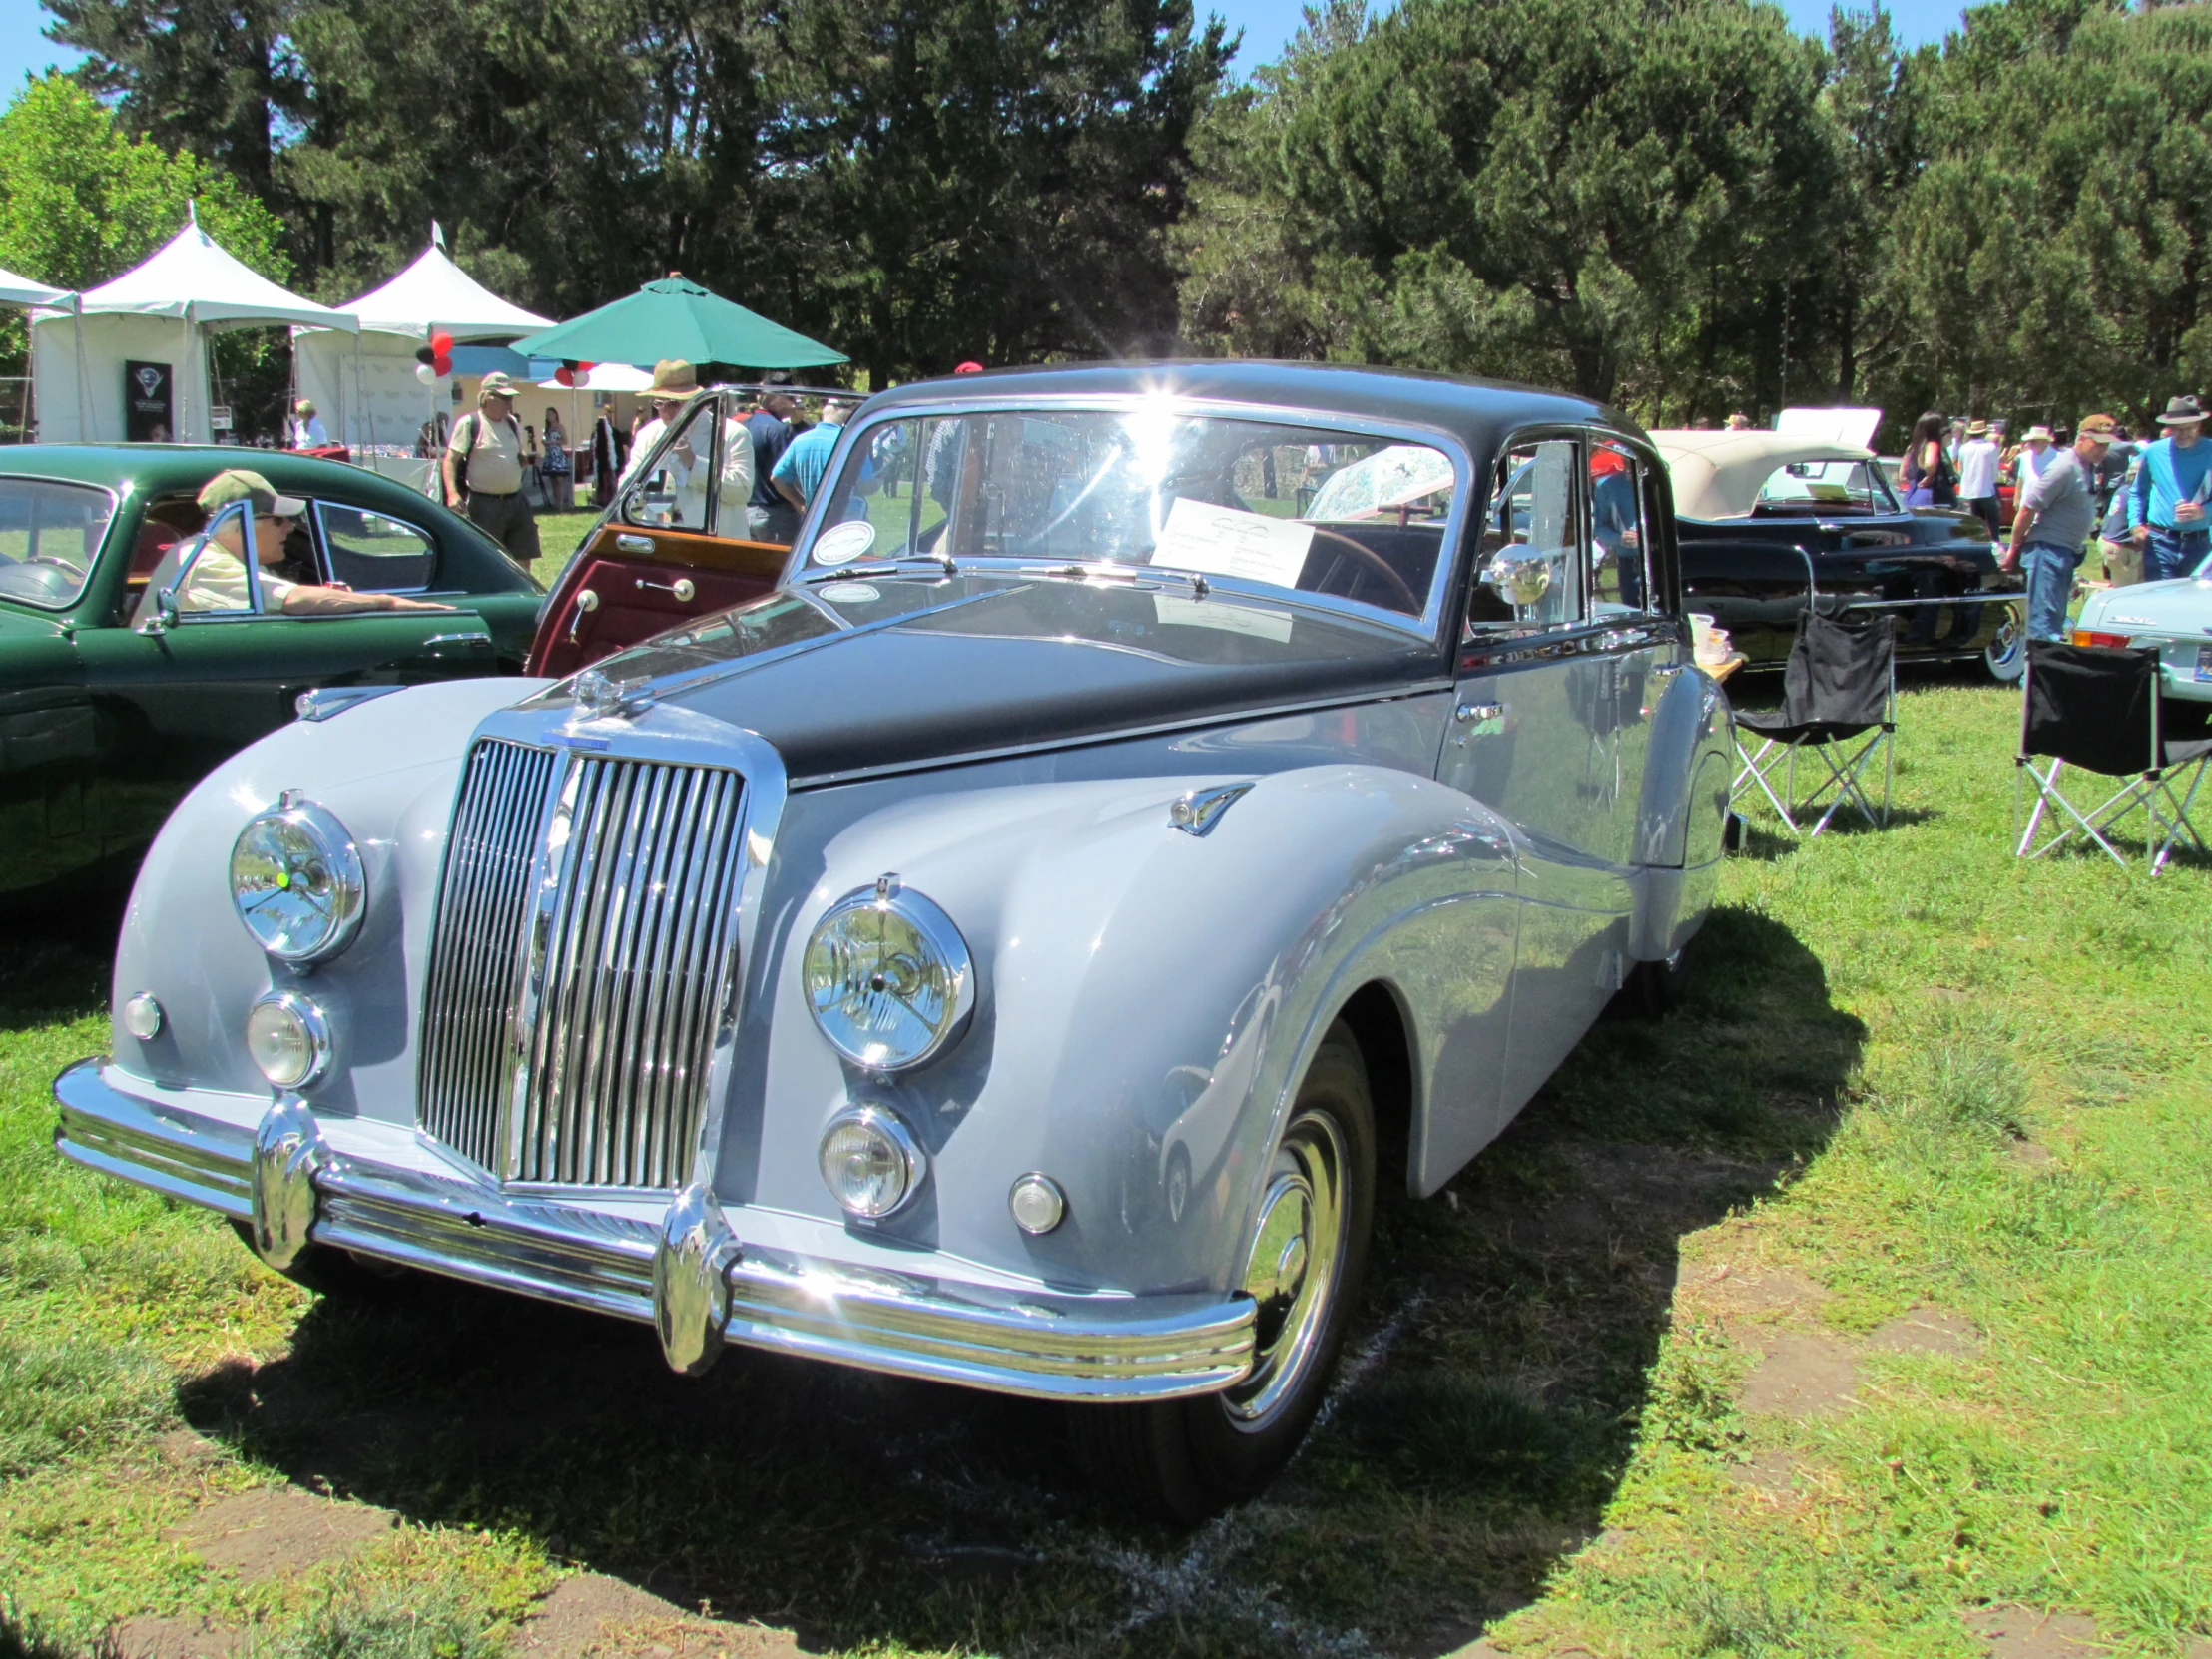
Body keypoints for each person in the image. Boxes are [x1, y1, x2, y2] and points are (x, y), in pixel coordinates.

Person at [179, 470, 451, 617]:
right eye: (277, 520)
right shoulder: (204, 562)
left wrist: (335, 597)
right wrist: (386, 603)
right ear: (240, 524)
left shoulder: (226, 559)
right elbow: (295, 600)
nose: (290, 526)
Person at [2005, 413, 2120, 642]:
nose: (2102, 450)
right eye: (2098, 444)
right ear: (2081, 439)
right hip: (2047, 551)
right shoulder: (2063, 468)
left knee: (2054, 621)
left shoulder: (2086, 467)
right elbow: (2028, 509)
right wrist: (2013, 550)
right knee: (2044, 627)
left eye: (2106, 445)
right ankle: (2036, 676)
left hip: (2064, 551)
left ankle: (2041, 672)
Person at [618, 359, 754, 530]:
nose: (666, 412)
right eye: (659, 403)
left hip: (714, 541)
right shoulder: (647, 435)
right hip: (660, 537)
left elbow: (742, 491)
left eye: (674, 403)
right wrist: (645, 476)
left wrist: (693, 463)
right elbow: (625, 491)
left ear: (694, 401)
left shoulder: (732, 433)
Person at [442, 371, 540, 567]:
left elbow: (517, 458)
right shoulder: (470, 424)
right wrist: (452, 494)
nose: (509, 403)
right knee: (487, 558)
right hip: (484, 504)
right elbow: (450, 461)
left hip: (516, 500)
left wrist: (527, 460)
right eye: (504, 398)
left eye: (510, 398)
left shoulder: (512, 423)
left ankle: (521, 594)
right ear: (487, 397)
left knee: (523, 552)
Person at [2127, 395, 2212, 582]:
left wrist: (2203, 511)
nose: (2182, 434)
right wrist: (2134, 525)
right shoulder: (2153, 452)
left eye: (2187, 429)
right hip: (2160, 541)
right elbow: (2137, 493)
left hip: (2199, 543)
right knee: (2158, 602)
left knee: (2194, 603)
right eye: (2176, 430)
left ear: (2199, 425)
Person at [744, 372, 802, 542]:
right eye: (789, 397)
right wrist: (801, 503)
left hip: (746, 513)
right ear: (774, 398)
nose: (793, 403)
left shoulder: (743, 426)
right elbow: (786, 476)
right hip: (776, 515)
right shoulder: (778, 430)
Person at [771, 397, 853, 511]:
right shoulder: (848, 440)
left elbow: (777, 479)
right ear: (845, 416)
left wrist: (799, 504)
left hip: (816, 519)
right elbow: (867, 487)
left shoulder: (799, 441)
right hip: (848, 516)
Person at [1899, 411, 1957, 507]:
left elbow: (1902, 476)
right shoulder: (1932, 445)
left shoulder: (1911, 448)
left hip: (1911, 496)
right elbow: (1929, 464)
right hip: (1930, 497)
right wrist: (1929, 476)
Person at [1955, 419, 2002, 535]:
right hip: (1986, 489)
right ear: (1984, 433)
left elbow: (1961, 470)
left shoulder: (1963, 448)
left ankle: (1974, 542)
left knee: (1973, 520)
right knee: (1993, 518)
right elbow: (1994, 469)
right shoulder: (1991, 447)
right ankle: (1995, 542)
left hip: (1967, 490)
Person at [589, 399, 626, 507]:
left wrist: (620, 462)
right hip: (602, 461)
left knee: (612, 481)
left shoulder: (615, 433)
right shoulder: (597, 433)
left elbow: (618, 449)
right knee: (603, 481)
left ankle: (612, 498)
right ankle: (601, 498)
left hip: (613, 461)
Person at [540, 407, 574, 512]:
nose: (549, 416)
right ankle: (556, 503)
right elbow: (544, 439)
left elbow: (565, 441)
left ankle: (561, 505)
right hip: (549, 455)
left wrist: (553, 442)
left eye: (551, 414)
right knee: (553, 480)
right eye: (547, 414)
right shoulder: (546, 428)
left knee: (559, 480)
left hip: (558, 456)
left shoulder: (560, 427)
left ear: (555, 415)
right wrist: (544, 442)